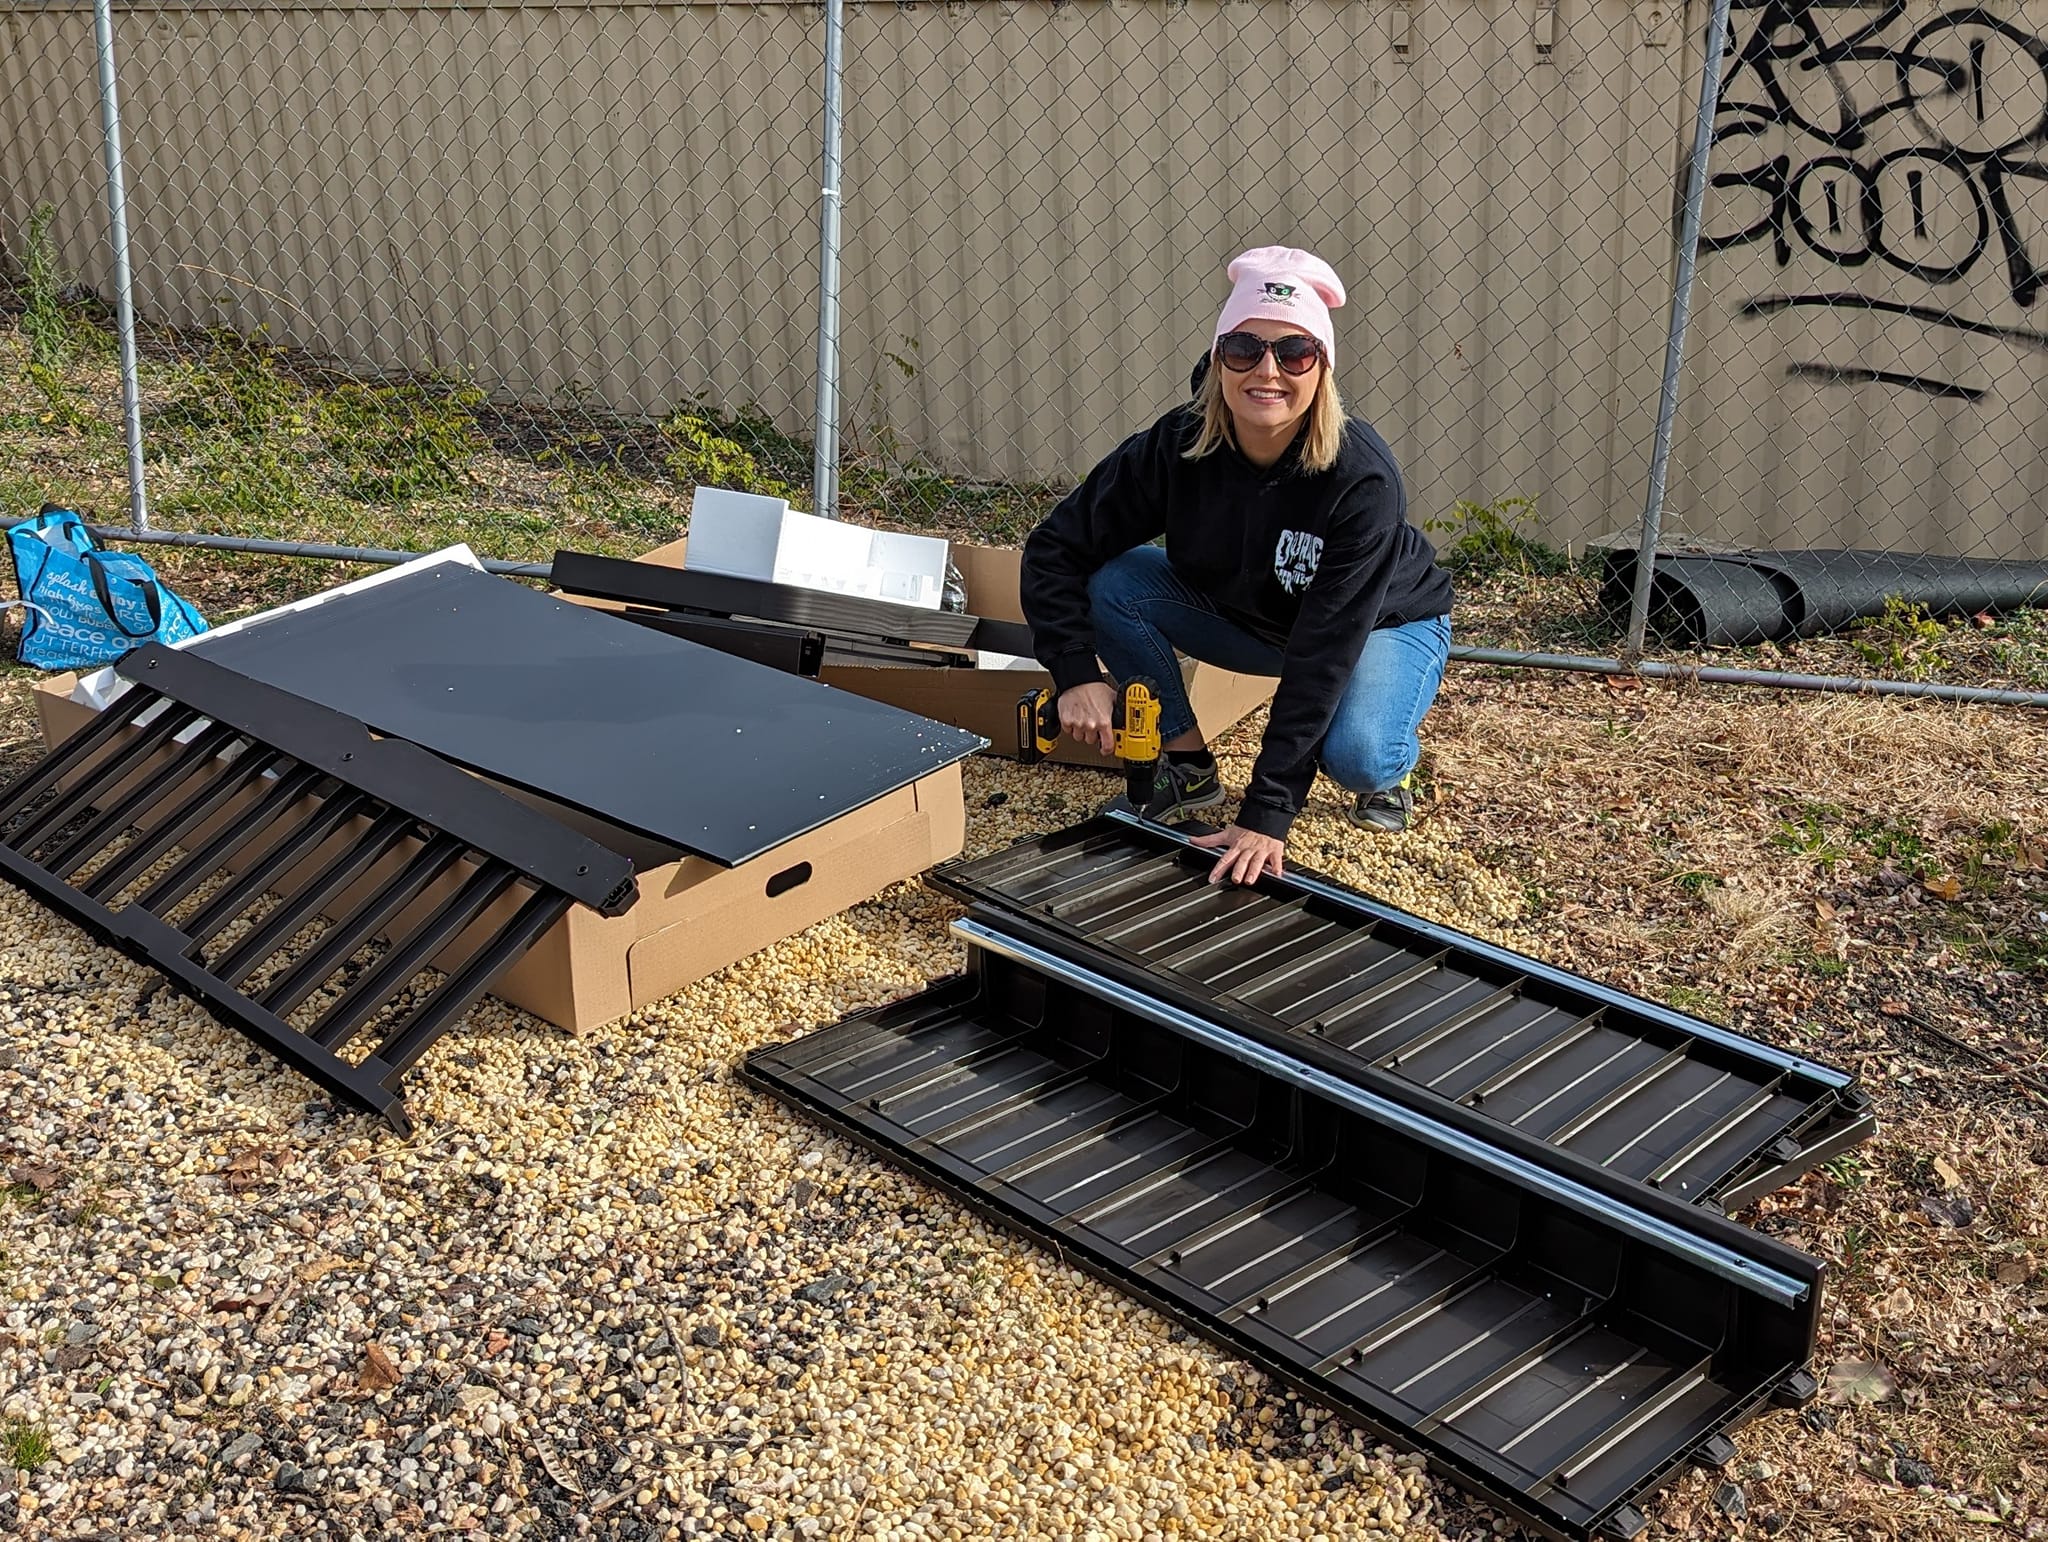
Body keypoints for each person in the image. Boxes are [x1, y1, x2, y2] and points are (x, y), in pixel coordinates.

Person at [1020, 245, 1455, 888]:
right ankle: (1188, 765)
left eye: (1295, 352)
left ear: (1322, 368)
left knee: (1359, 756)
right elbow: (1057, 546)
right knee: (1114, 584)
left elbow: (1324, 651)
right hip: (1252, 615)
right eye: (1245, 348)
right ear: (1219, 358)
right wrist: (1075, 671)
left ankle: (1393, 764)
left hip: (1377, 624)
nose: (1267, 371)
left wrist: (1267, 814)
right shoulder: (1177, 444)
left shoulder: (1360, 477)